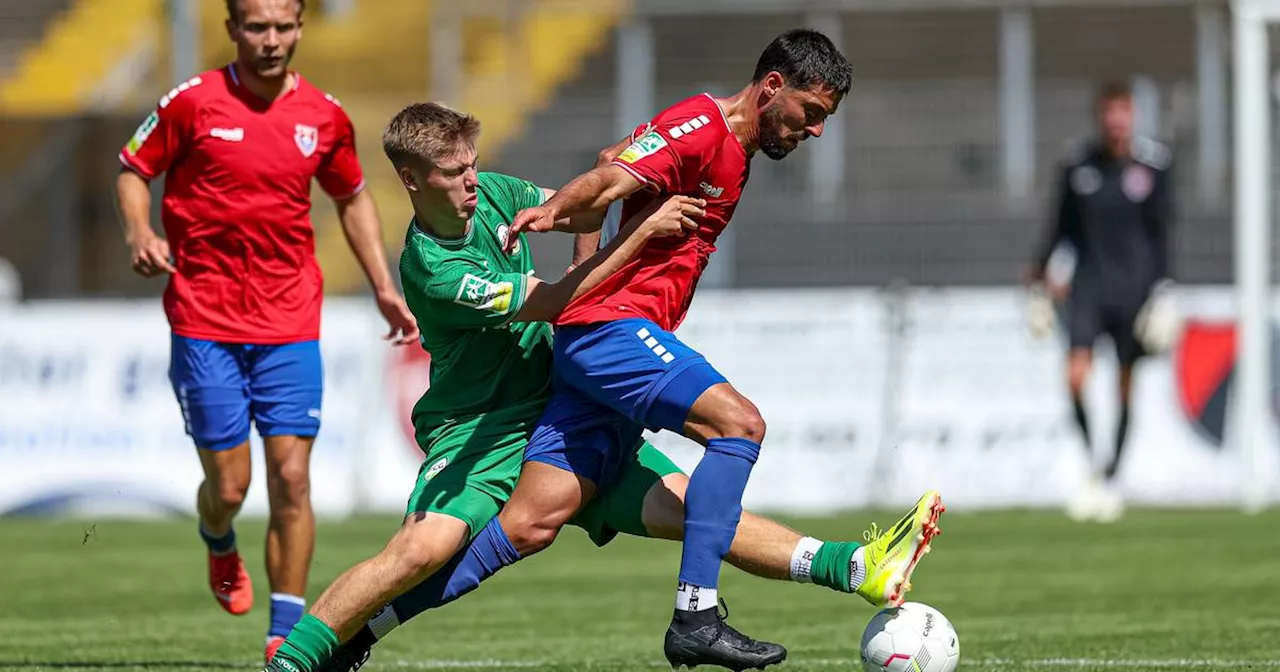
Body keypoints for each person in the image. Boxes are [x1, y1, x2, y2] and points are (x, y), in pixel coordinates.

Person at [280, 28, 943, 672]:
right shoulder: (434, 269)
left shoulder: (495, 196)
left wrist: (590, 210)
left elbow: (589, 197)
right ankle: (297, 658)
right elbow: (559, 302)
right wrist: (644, 229)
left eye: (473, 166)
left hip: (559, 402)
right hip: (482, 428)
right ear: (412, 181)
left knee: (675, 512)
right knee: (429, 545)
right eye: (453, 174)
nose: (472, 182)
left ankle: (852, 568)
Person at [114, 0, 417, 660]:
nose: (272, 40)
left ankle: (285, 631)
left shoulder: (325, 116)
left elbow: (351, 195)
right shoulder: (191, 103)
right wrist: (141, 231)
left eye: (284, 27)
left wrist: (383, 285)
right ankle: (217, 536)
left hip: (289, 321)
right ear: (232, 30)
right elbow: (134, 169)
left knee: (293, 478)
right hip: (205, 320)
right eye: (258, 27)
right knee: (230, 488)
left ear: (301, 28)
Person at [1025, 80, 1175, 523]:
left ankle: (1112, 476)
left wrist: (1165, 288)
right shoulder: (1078, 165)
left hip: (1135, 291)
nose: (1116, 121)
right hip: (1088, 287)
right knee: (1075, 378)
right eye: (1109, 112)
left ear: (1133, 116)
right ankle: (1094, 462)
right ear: (1100, 116)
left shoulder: (1154, 166)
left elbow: (1163, 232)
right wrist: (1040, 273)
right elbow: (1060, 226)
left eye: (1123, 112)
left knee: (1125, 385)